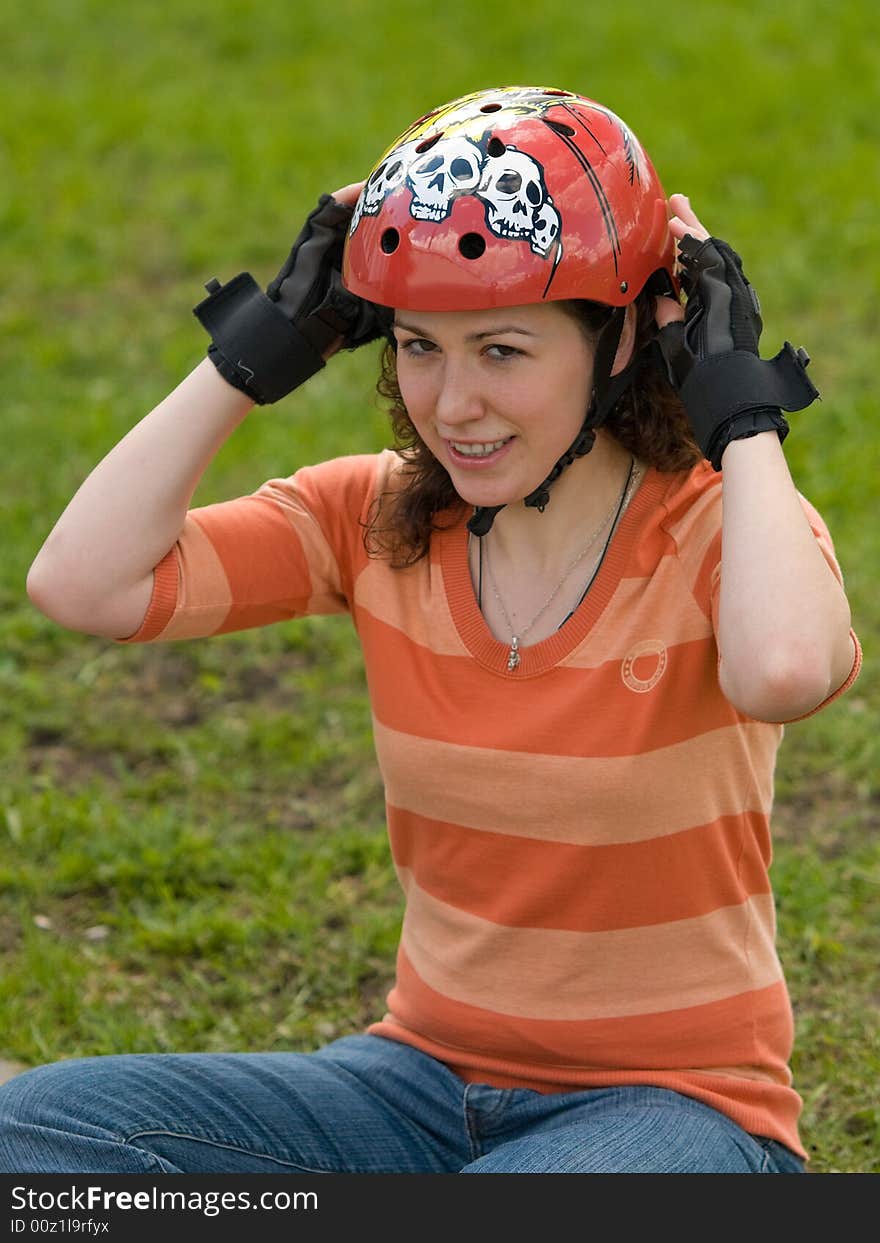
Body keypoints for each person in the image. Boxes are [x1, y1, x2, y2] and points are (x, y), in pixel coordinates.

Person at [1, 85, 860, 1175]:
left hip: (675, 1112)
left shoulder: (724, 528)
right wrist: (257, 350)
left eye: (501, 350)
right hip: (408, 1085)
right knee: (33, 1126)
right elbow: (82, 585)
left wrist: (738, 411)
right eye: (418, 346)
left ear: (625, 338)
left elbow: (785, 668)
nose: (449, 404)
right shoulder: (374, 517)